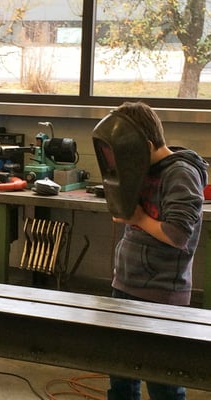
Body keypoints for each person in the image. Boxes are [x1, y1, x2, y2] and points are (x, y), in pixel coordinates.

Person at [106, 101, 208, 400]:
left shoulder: (181, 173)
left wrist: (137, 218)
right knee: (121, 376)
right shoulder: (144, 169)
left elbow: (178, 234)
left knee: (163, 382)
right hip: (125, 284)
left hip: (161, 295)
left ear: (146, 146)